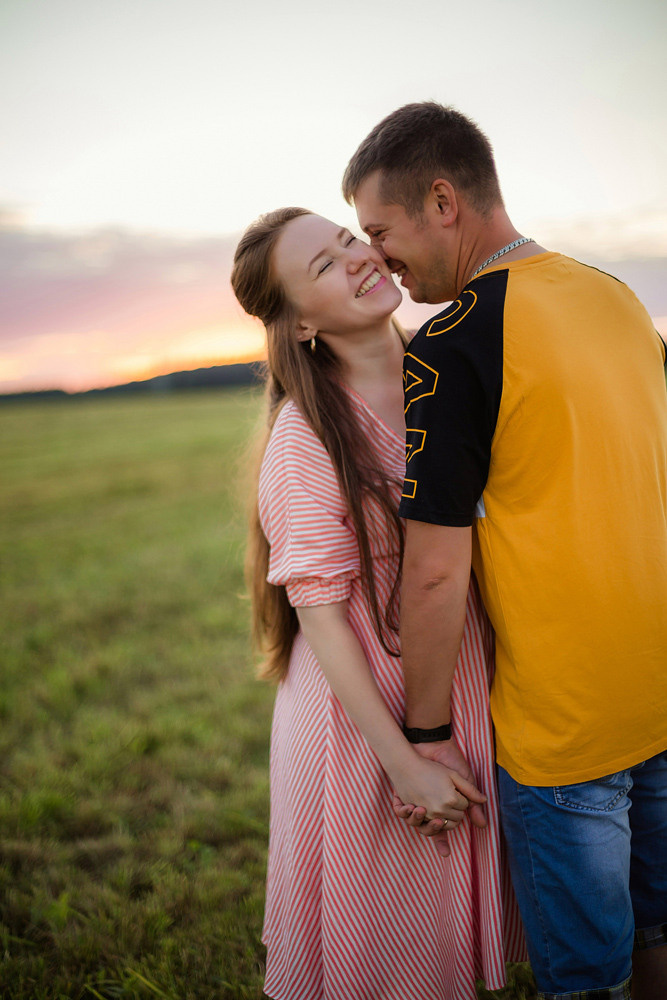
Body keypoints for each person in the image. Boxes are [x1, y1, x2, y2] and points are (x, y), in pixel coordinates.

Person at [342, 101, 667, 1000]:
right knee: (658, 938)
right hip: (657, 689)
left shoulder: (452, 342)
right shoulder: (615, 296)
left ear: (442, 201)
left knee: (586, 979)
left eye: (380, 231)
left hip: (564, 731)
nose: (377, 257)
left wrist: (426, 735)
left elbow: (434, 568)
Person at [231, 207, 525, 1000]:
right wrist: (403, 763)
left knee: (445, 934)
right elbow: (320, 618)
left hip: (454, 674)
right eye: (324, 266)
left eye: (348, 241)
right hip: (362, 710)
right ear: (299, 326)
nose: (357, 259)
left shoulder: (446, 371)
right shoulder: (305, 437)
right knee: (393, 955)